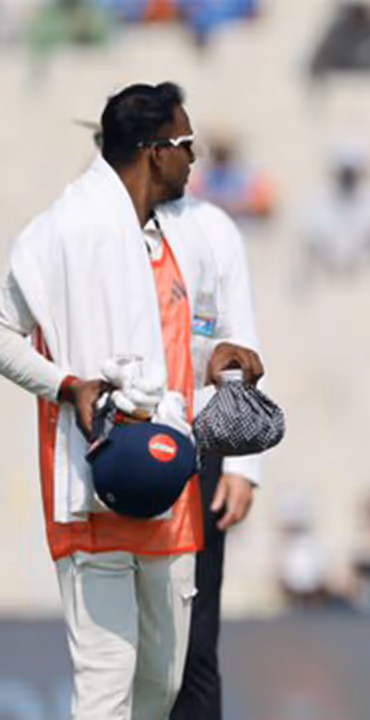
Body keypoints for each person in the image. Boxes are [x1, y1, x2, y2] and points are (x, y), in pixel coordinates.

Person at [0, 82, 262, 719]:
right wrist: (68, 386)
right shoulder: (61, 229)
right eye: (186, 145)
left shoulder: (174, 236)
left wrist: (212, 362)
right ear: (154, 152)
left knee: (162, 686)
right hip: (95, 484)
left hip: (171, 485)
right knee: (106, 682)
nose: (195, 159)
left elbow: (163, 352)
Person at [157, 196, 264, 718]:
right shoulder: (98, 227)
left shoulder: (211, 226)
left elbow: (240, 343)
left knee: (196, 638)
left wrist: (243, 463)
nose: (190, 157)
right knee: (125, 640)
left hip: (200, 447)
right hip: (125, 444)